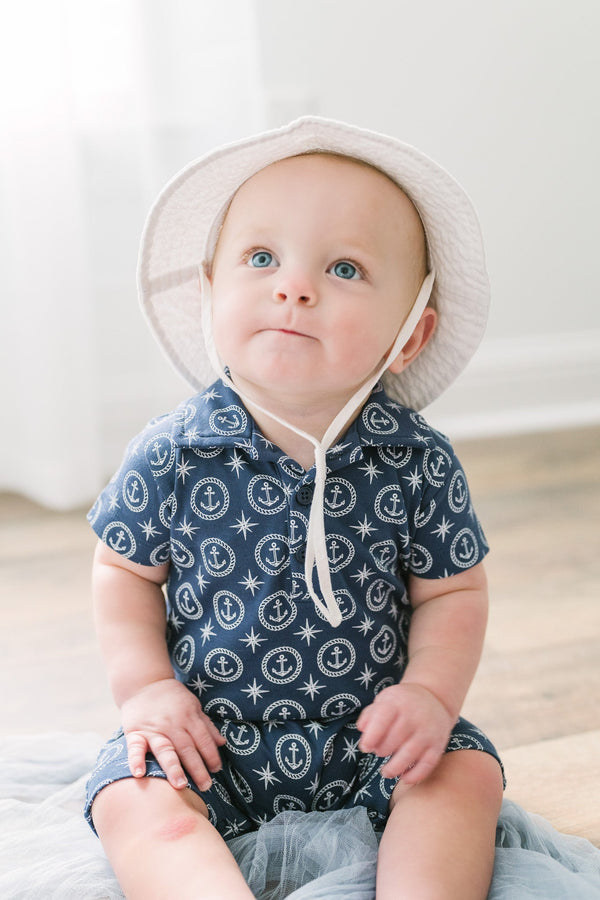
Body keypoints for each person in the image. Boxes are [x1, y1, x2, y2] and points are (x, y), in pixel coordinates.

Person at [85, 117, 505, 899]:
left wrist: (430, 696)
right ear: (212, 290)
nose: (294, 286)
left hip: (372, 740)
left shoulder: (415, 461)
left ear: (410, 336)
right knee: (135, 800)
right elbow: (122, 570)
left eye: (343, 267)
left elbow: (454, 590)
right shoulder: (175, 451)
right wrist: (146, 688)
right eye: (261, 258)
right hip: (209, 740)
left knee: (465, 778)